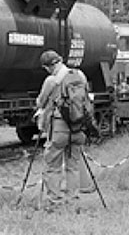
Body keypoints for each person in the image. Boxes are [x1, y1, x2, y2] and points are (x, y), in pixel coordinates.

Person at [35, 50, 91, 209]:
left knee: (52, 166)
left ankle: (55, 202)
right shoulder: (80, 75)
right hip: (78, 128)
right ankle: (72, 200)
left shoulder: (51, 80)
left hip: (59, 128)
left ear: (49, 66)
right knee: (73, 166)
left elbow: (41, 102)